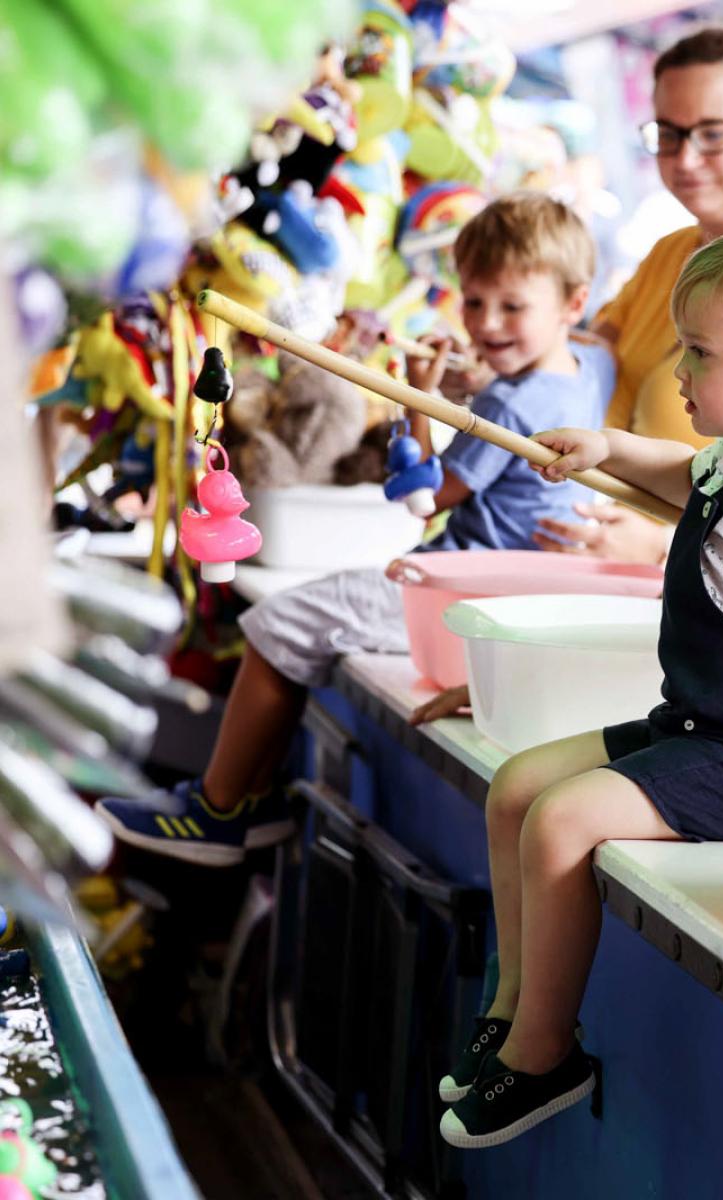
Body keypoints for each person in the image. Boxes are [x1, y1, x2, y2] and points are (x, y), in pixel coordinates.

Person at [436, 217, 723, 1148]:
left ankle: (544, 1053)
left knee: (562, 819)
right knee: (519, 783)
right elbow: (688, 479)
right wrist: (609, 448)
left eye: (698, 353)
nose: (677, 372)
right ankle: (512, 1004)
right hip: (696, 724)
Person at [96, 193, 616, 865]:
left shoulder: (511, 403)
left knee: (276, 623)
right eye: (475, 302)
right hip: (521, 597)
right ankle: (252, 801)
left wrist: (421, 398)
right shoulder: (590, 370)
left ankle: (219, 810)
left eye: (512, 307)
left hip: (465, 598)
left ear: (572, 304)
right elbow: (579, 363)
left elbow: (424, 498)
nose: (487, 323)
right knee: (297, 621)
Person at [536, 24, 723, 564]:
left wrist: (662, 544)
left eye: (713, 134)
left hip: (707, 600)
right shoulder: (670, 250)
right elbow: (589, 356)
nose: (684, 159)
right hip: (590, 563)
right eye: (669, 134)